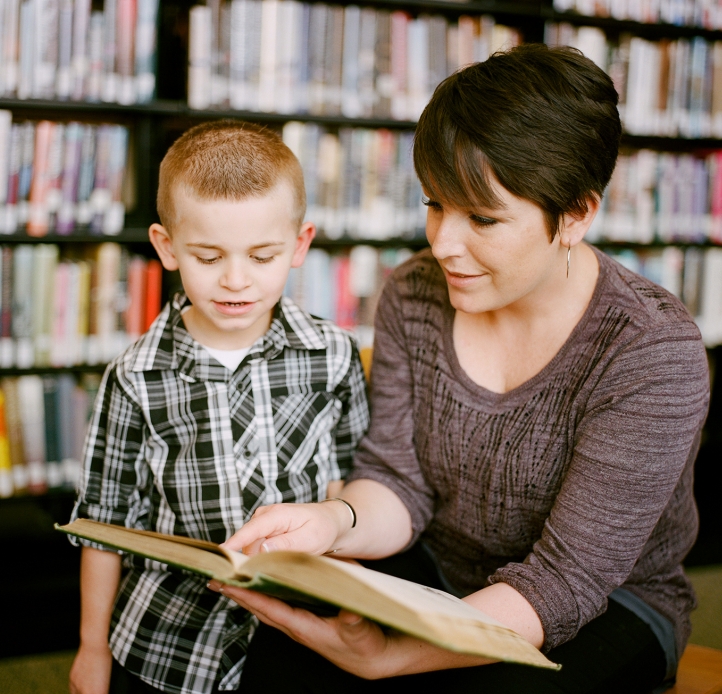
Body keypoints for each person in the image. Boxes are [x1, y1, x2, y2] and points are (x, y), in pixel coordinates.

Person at [210, 45, 710, 694]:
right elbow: (397, 482)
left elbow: (565, 582)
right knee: (282, 656)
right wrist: (332, 523)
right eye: (435, 204)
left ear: (577, 215)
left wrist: (392, 655)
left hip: (610, 606)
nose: (443, 243)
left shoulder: (649, 351)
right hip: (441, 569)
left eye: (482, 218)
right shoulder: (414, 293)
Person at [67, 120, 369, 694]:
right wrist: (90, 648)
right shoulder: (135, 376)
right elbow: (101, 525)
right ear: (167, 248)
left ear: (300, 245)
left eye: (262, 256)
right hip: (169, 642)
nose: (236, 280)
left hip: (302, 632)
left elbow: (350, 481)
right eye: (209, 256)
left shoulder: (332, 354)